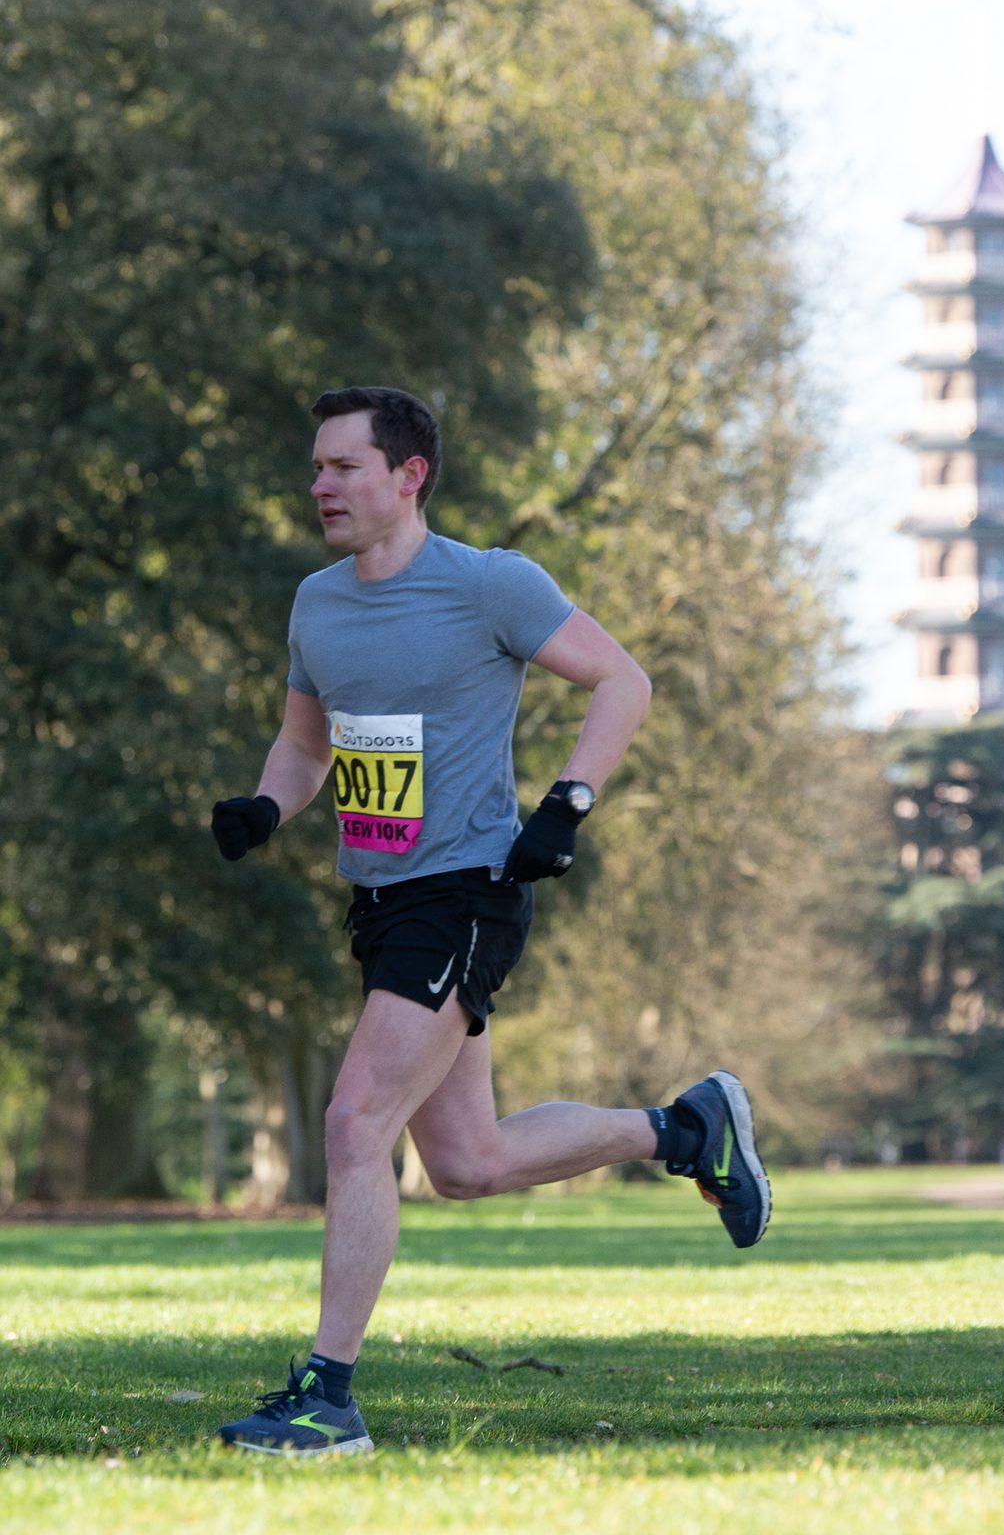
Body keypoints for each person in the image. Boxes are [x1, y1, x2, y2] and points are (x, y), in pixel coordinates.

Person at [210, 385, 769, 1457]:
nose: (320, 484)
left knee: (353, 1122)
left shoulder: (488, 584)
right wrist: (267, 804)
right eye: (317, 467)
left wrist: (567, 803)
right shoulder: (317, 603)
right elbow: (308, 742)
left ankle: (328, 1394)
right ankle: (685, 1126)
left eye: (343, 466)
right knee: (465, 1160)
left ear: (407, 474)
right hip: (379, 900)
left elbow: (621, 678)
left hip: (464, 889)